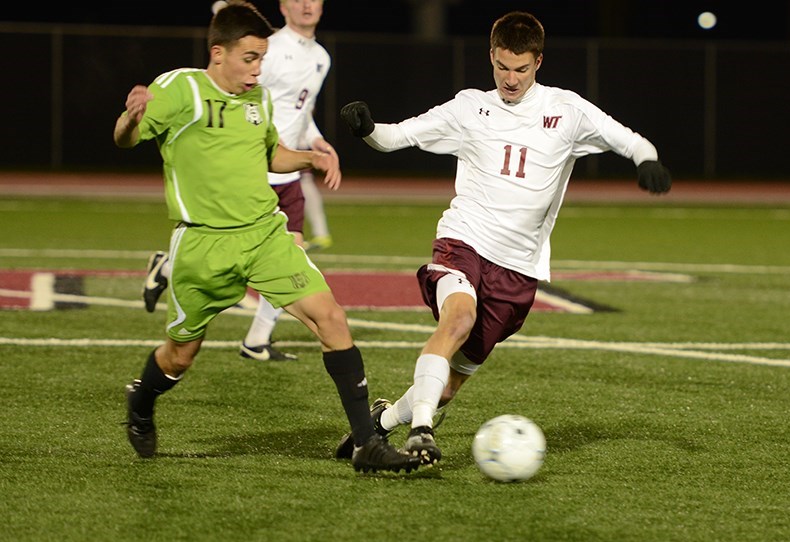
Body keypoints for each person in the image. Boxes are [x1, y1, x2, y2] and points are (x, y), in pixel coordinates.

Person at [334, 11, 671, 466]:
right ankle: (422, 431)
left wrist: (645, 161)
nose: (511, 79)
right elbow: (397, 137)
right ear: (491, 57)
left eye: (522, 69)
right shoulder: (468, 107)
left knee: (452, 383)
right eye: (503, 67)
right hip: (464, 240)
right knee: (457, 320)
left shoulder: (567, 110)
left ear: (539, 62)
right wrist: (368, 130)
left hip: (518, 267)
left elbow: (631, 140)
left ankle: (384, 420)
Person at [115, 1, 419, 473]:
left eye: (262, 59)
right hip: (203, 246)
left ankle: (366, 444)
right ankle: (142, 401)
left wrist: (309, 158)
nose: (259, 71)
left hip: (264, 236)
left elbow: (270, 153)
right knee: (179, 356)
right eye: (250, 59)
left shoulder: (256, 98)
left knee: (331, 318)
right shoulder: (181, 89)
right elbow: (126, 138)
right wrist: (132, 118)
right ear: (218, 53)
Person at [143, 0, 336, 362]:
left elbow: (300, 109)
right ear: (283, 7)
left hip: (289, 169)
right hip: (257, 168)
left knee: (291, 254)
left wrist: (314, 141)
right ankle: (171, 266)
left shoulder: (321, 57)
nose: (308, 5)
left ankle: (257, 339)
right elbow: (239, 94)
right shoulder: (271, 49)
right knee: (240, 254)